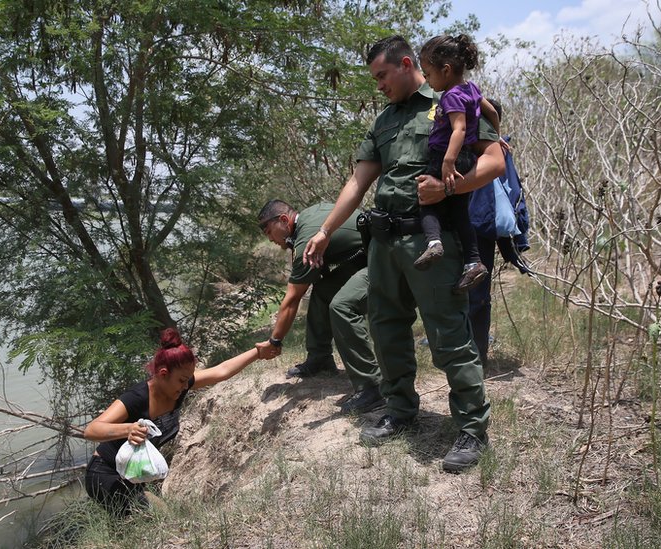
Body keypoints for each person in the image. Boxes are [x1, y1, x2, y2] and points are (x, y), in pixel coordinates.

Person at [303, 35, 506, 473]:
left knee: (448, 335)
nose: (378, 85)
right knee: (387, 328)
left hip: (431, 240)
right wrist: (324, 230)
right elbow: (358, 184)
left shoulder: (451, 99)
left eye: (382, 76)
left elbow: (494, 162)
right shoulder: (383, 121)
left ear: (407, 64)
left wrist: (449, 186)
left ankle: (472, 429)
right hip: (385, 242)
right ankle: (400, 409)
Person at [83, 328, 274, 514]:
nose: (186, 386)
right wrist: (128, 429)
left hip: (133, 474)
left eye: (188, 380)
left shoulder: (179, 386)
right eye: (182, 380)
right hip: (104, 473)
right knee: (160, 518)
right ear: (163, 373)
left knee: (151, 520)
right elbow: (91, 430)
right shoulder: (137, 397)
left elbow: (221, 371)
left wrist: (257, 352)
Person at [255, 200, 384, 414]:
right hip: (366, 257)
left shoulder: (306, 238)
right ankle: (320, 358)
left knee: (342, 306)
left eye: (269, 231)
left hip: (386, 260)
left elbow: (292, 299)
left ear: (284, 220)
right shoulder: (308, 217)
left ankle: (372, 388)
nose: (269, 239)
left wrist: (274, 341)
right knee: (323, 291)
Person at [413, 34, 501, 294]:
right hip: (468, 159)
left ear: (446, 70)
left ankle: (433, 243)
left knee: (426, 198)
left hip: (446, 156)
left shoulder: (450, 96)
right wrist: (497, 137)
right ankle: (473, 263)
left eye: (428, 73)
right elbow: (493, 113)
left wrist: (448, 162)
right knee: (460, 212)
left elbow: (459, 129)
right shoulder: (472, 88)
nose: (427, 80)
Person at [466, 99, 532, 368]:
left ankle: (475, 358)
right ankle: (471, 356)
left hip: (479, 228)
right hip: (473, 228)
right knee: (473, 294)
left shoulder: (496, 151)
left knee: (476, 294)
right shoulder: (488, 147)